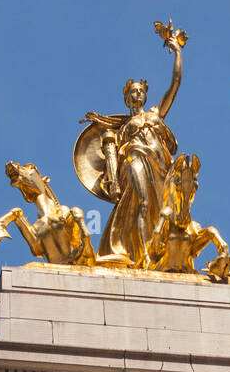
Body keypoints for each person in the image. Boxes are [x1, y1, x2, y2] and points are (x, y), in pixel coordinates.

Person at [74, 20, 185, 268]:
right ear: (127, 98)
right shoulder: (123, 128)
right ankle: (142, 253)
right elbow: (107, 145)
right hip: (134, 159)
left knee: (162, 212)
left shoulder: (156, 115)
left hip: (160, 166)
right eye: (132, 92)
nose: (137, 94)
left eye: (140, 91)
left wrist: (177, 51)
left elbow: (175, 83)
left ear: (145, 95)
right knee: (142, 202)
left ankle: (155, 252)